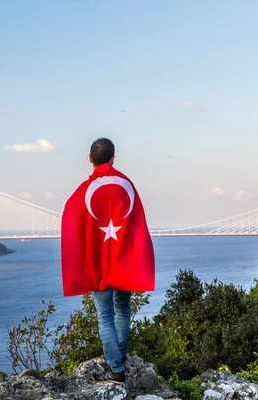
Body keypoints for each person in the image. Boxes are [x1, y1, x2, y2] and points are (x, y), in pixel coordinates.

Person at [61, 137, 155, 384]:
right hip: (123, 259)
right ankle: (119, 361)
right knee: (123, 308)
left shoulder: (85, 190)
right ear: (113, 158)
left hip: (98, 261)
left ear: (90, 159)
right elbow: (137, 224)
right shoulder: (126, 185)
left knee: (105, 315)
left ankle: (115, 369)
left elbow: (71, 219)